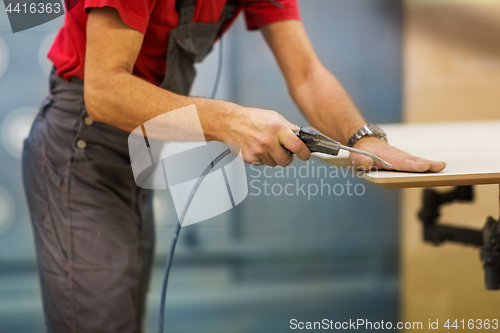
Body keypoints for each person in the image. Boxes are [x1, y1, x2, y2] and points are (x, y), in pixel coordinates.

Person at [21, 0, 446, 332]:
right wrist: (229, 121)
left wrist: (363, 139)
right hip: (81, 146)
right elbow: (105, 91)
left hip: (139, 148)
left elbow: (305, 72)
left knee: (119, 317)